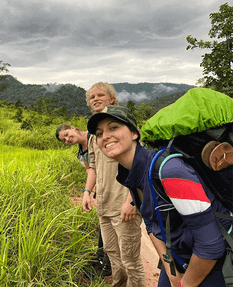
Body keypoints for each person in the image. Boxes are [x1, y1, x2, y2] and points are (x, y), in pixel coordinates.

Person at [87, 104, 232, 286]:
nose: (105, 136)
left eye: (113, 127)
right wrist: (171, 271)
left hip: (214, 263)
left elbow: (211, 244)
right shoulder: (130, 173)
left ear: (134, 133)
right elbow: (152, 224)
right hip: (179, 257)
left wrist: (185, 284)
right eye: (99, 134)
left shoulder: (170, 171)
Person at [82, 82, 146, 286]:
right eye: (92, 97)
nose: (95, 99)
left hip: (124, 205)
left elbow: (139, 164)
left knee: (131, 261)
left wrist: (132, 201)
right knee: (113, 254)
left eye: (100, 95)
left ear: (112, 99)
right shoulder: (94, 135)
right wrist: (87, 192)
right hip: (104, 205)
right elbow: (92, 167)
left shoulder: (123, 126)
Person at [55, 123, 112, 278]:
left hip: (114, 184)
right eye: (64, 141)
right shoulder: (81, 152)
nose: (67, 140)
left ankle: (108, 264)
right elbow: (90, 171)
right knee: (103, 224)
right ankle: (101, 259)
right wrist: (90, 192)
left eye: (66, 134)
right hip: (101, 189)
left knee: (112, 227)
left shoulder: (95, 137)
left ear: (73, 128)